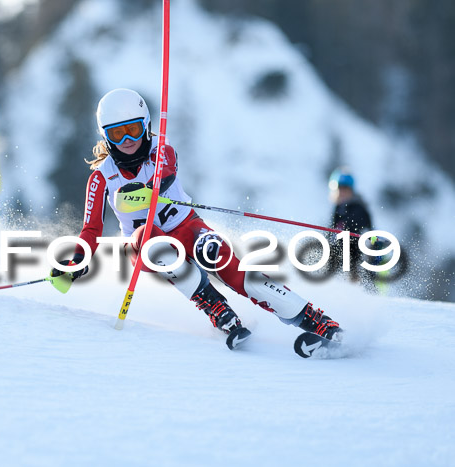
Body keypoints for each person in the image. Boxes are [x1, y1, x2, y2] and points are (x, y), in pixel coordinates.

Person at [50, 88, 342, 349]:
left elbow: (167, 173)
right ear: (105, 136)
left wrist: (149, 191)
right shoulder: (101, 177)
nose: (127, 140)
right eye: (117, 134)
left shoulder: (160, 150)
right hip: (144, 247)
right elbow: (91, 228)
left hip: (188, 228)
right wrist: (77, 260)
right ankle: (216, 308)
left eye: (134, 130)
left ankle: (314, 319)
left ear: (146, 126)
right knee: (148, 240)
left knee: (218, 254)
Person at [327, 167, 376, 285]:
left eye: (345, 189)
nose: (341, 192)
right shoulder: (339, 208)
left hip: (360, 254)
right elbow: (332, 232)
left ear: (351, 190)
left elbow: (357, 231)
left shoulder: (357, 207)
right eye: (339, 189)